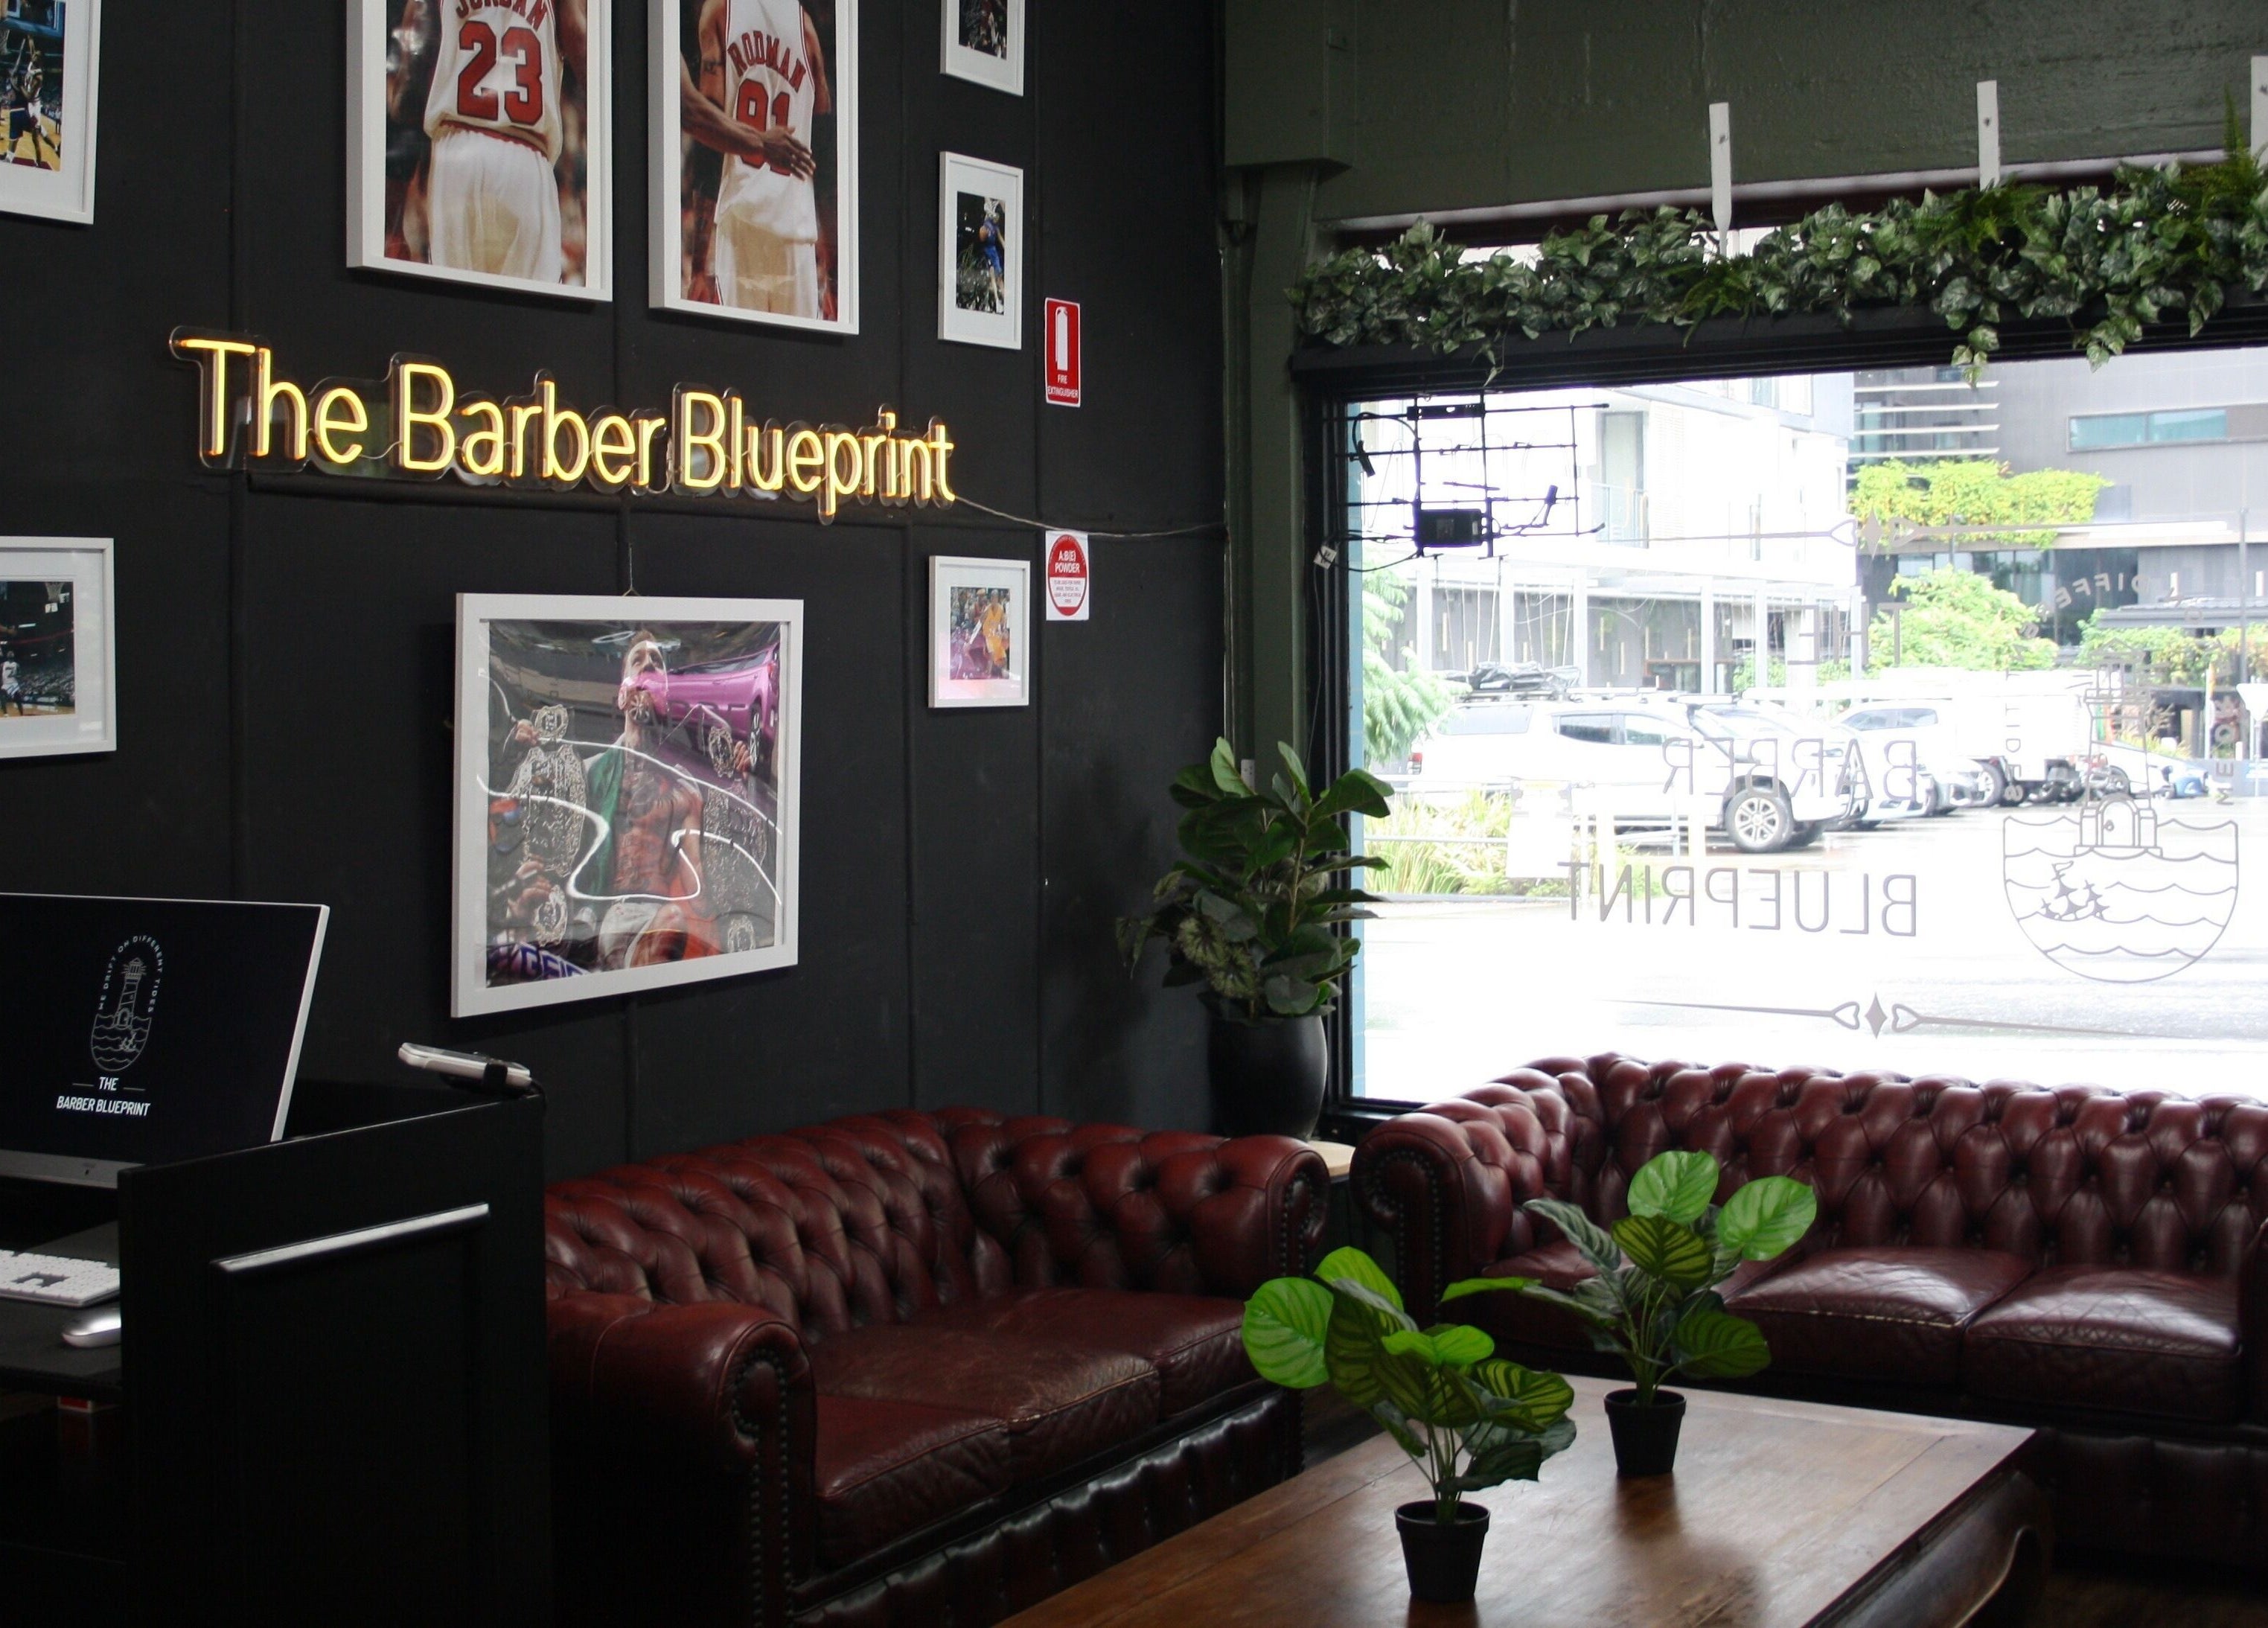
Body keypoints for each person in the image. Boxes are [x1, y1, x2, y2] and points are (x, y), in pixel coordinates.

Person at [415, 0, 587, 283]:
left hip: (457, 151)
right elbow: (584, 51)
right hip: (527, 156)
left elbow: (409, 89)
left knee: (453, 304)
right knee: (532, 310)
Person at [696, 0, 832, 319]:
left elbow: (707, 146)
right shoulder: (807, 30)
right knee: (800, 362)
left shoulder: (720, 11)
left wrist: (698, 266)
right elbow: (827, 160)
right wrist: (836, 278)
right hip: (795, 232)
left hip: (743, 222)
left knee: (739, 360)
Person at [0, 645, 22, 715]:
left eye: (11, 654)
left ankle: (22, 714)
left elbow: (20, 675)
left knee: (18, 700)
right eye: (9, 654)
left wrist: (15, 675)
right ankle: (6, 714)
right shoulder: (3, 665)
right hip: (6, 684)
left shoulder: (17, 665)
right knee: (2, 698)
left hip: (13, 683)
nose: (10, 654)